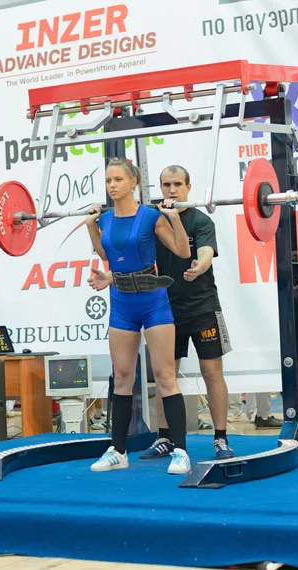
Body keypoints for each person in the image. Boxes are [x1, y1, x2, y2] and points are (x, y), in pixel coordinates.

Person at [86, 157, 192, 474]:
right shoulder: (104, 219)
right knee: (122, 377)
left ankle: (181, 451)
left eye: (118, 179)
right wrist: (92, 226)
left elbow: (183, 252)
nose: (112, 185)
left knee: (164, 376)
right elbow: (106, 255)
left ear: (134, 182)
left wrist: (174, 218)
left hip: (153, 301)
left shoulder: (149, 217)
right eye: (108, 181)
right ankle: (118, 451)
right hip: (121, 302)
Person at [139, 165, 234, 460]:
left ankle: (220, 439)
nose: (171, 190)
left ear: (188, 188)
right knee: (165, 374)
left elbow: (205, 252)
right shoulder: (154, 222)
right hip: (165, 310)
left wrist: (199, 265)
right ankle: (165, 438)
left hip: (203, 307)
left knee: (211, 372)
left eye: (177, 184)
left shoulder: (200, 221)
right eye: (166, 184)